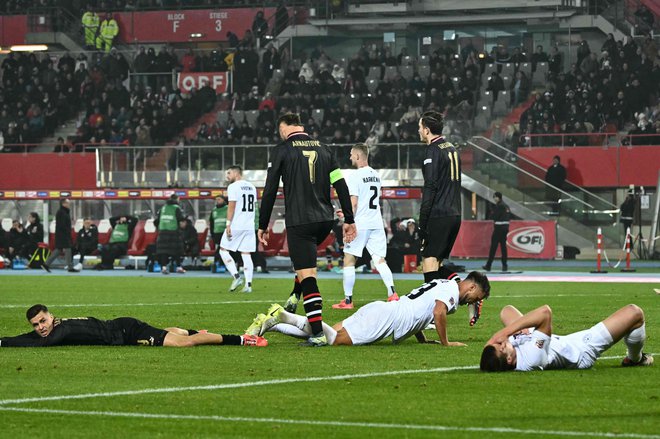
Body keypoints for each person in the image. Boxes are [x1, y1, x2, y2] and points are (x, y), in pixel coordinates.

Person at [258, 113, 357, 346]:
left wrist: (262, 225)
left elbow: (270, 189)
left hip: (300, 220)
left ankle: (318, 334)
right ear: (301, 126)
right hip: (325, 220)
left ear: (284, 129)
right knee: (305, 263)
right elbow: (340, 185)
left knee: (308, 274)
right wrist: (349, 219)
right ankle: (294, 296)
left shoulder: (282, 149)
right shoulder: (324, 148)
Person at [250, 271, 490, 347]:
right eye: (475, 296)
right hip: (387, 318)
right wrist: (446, 343)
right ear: (470, 286)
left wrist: (423, 340)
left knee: (321, 333)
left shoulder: (443, 284)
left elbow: (420, 311)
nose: (472, 301)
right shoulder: (449, 292)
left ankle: (272, 324)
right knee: (331, 341)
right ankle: (283, 314)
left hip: (386, 310)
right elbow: (437, 312)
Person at [480, 304, 653, 372]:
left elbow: (506, 310)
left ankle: (635, 358)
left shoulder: (512, 352)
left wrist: (511, 332)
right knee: (634, 313)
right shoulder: (532, 358)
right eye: (501, 346)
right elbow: (545, 313)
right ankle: (634, 358)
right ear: (510, 359)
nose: (501, 341)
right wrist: (504, 333)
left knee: (512, 316)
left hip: (562, 342)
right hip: (581, 351)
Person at [0, 304, 267, 348]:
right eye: (36, 325)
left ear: (51, 316)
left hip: (127, 332)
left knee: (182, 344)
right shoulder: (58, 325)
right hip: (123, 326)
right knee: (173, 333)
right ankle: (198, 332)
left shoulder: (61, 331)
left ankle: (242, 339)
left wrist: (6, 343)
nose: (40, 327)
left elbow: (44, 342)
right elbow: (33, 337)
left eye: (42, 321)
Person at [333, 144, 398, 309]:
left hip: (360, 223)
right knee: (379, 260)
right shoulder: (376, 175)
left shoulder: (355, 176)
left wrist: (347, 217)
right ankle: (393, 294)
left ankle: (347, 301)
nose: (349, 158)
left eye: (351, 155)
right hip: (376, 222)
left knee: (349, 259)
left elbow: (353, 203)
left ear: (357, 156)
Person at [417, 111, 462, 284]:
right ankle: (463, 289)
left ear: (427, 130)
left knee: (429, 262)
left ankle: (467, 292)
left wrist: (422, 221)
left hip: (439, 214)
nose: (419, 131)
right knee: (438, 264)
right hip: (454, 214)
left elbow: (430, 187)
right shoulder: (451, 148)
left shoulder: (432, 151)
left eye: (420, 128)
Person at [219, 165, 258, 293]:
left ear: (236, 173)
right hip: (249, 226)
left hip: (236, 225)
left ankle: (236, 276)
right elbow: (255, 207)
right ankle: (248, 285)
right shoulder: (252, 187)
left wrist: (228, 224)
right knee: (246, 254)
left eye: (229, 173)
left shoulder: (233, 187)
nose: (227, 176)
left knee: (223, 250)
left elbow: (232, 206)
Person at [43, 199, 77, 273]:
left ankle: (46, 264)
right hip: (63, 234)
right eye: (68, 203)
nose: (69, 204)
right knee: (68, 248)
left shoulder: (63, 212)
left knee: (59, 250)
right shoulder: (61, 212)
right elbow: (62, 225)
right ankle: (70, 267)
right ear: (63, 203)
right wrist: (67, 232)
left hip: (61, 234)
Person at [155, 194, 185, 275]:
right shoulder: (176, 208)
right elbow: (181, 219)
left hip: (162, 232)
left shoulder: (163, 208)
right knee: (177, 250)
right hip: (173, 231)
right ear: (177, 199)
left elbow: (157, 220)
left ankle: (164, 267)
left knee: (163, 250)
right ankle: (178, 267)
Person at [482, 192, 510, 272]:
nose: (494, 199)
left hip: (498, 228)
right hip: (505, 228)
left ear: (498, 197)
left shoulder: (499, 206)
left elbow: (494, 216)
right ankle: (504, 266)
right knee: (503, 247)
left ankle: (488, 265)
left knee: (493, 247)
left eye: (495, 197)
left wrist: (491, 212)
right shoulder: (506, 206)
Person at [209, 195, 228, 270]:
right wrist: (212, 233)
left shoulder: (227, 208)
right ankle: (219, 263)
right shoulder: (214, 210)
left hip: (225, 232)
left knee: (223, 249)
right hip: (217, 232)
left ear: (223, 200)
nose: (217, 201)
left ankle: (220, 263)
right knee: (220, 249)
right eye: (216, 200)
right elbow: (211, 222)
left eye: (219, 199)